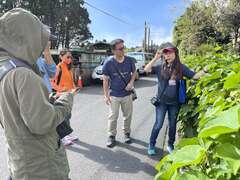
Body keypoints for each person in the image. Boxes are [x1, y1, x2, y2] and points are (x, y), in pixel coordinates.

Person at [0, 8, 73, 179]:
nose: (41, 46)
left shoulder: (5, 68)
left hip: (20, 161)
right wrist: (66, 101)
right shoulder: (23, 74)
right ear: (26, 37)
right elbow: (41, 123)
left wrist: (44, 101)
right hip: (42, 167)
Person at [144, 42, 207, 155]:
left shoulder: (181, 67)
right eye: (165, 53)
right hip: (161, 102)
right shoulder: (160, 67)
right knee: (158, 124)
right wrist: (155, 58)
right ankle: (152, 144)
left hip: (174, 103)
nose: (167, 55)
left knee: (172, 124)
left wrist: (205, 71)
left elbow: (195, 76)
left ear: (175, 53)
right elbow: (147, 69)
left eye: (169, 52)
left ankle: (170, 145)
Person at [102, 39, 137, 148]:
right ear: (113, 51)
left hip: (127, 94)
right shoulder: (108, 63)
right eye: (120, 48)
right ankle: (111, 136)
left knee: (128, 116)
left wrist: (131, 83)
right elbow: (105, 80)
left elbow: (134, 72)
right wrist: (106, 95)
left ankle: (127, 133)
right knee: (113, 116)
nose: (123, 50)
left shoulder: (130, 60)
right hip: (114, 95)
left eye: (123, 47)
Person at [53, 49, 78, 146]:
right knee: (62, 116)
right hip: (61, 95)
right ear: (61, 57)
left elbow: (70, 81)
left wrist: (74, 88)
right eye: (67, 57)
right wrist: (62, 90)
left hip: (69, 94)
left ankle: (68, 133)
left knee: (68, 115)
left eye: (70, 57)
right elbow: (52, 83)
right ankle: (62, 136)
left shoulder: (68, 67)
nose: (70, 59)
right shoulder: (58, 67)